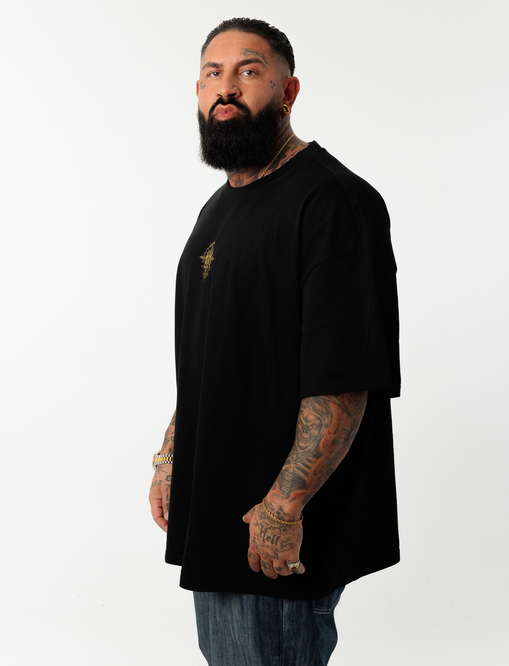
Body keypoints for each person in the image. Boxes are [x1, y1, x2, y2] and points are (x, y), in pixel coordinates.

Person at [149, 17, 400, 666]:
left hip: (272, 532)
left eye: (249, 70)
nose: (226, 87)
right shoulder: (220, 206)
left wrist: (284, 506)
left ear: (287, 92)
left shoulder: (332, 201)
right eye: (213, 74)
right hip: (218, 511)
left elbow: (345, 376)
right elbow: (216, 352)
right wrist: (172, 454)